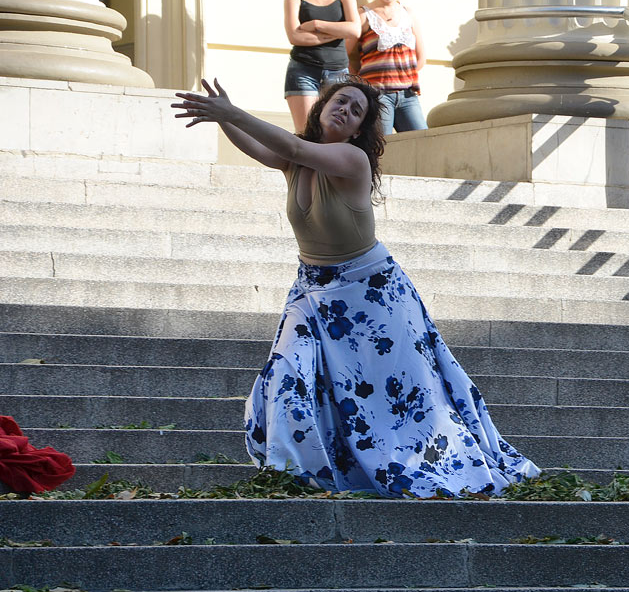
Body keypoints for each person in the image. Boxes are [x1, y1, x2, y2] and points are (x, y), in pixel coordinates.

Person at [171, 78, 539, 497]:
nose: (344, 109)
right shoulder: (296, 158)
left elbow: (291, 148)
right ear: (322, 107)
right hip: (312, 291)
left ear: (357, 131)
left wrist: (231, 112)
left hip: (371, 295)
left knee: (392, 400)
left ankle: (404, 465)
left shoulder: (352, 159)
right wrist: (221, 115)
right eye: (339, 101)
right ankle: (298, 471)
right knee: (286, 373)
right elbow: (263, 148)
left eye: (355, 111)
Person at [283, 0, 361, 133]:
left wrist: (317, 25)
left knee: (334, 132)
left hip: (338, 72)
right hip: (303, 71)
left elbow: (354, 30)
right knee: (306, 132)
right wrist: (337, 32)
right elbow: (295, 36)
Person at [348, 0, 427, 134]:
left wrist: (403, 75)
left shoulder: (408, 14)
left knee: (424, 142)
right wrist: (362, 83)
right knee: (382, 148)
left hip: (408, 96)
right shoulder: (364, 15)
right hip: (378, 95)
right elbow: (345, 54)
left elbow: (421, 57)